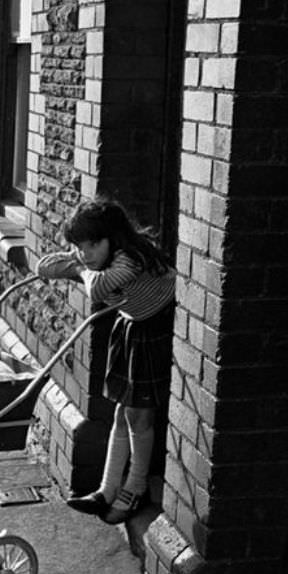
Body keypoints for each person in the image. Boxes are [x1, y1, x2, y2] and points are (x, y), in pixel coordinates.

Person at [36, 197, 175, 524]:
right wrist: (80, 261)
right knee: (122, 412)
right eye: (80, 245)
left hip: (156, 328)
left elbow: (97, 289)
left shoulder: (129, 259)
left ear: (114, 238)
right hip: (132, 325)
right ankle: (107, 489)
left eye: (93, 244)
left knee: (140, 417)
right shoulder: (98, 260)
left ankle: (135, 487)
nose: (85, 252)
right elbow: (45, 266)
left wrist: (80, 268)